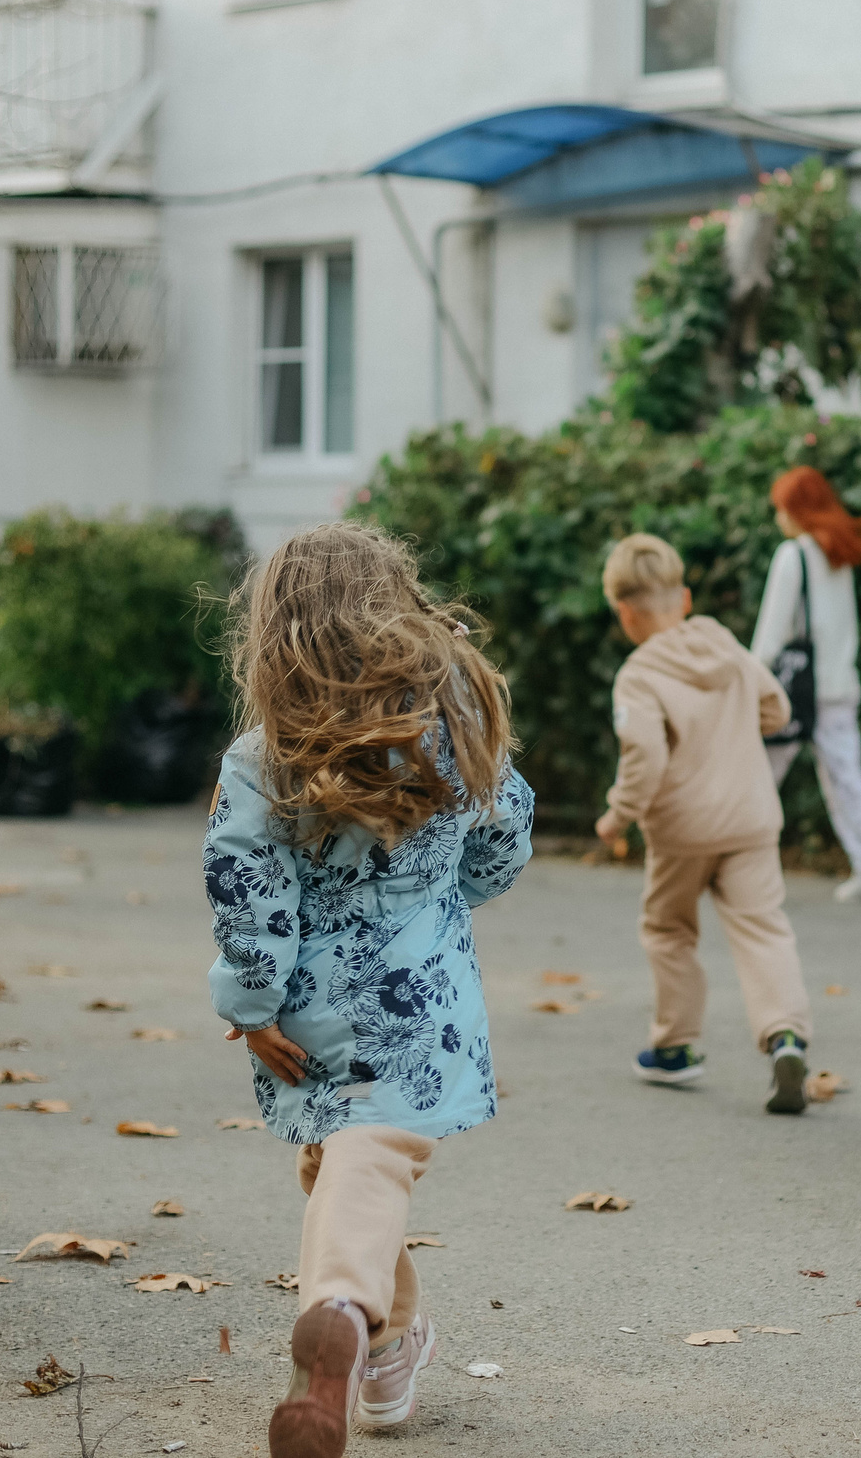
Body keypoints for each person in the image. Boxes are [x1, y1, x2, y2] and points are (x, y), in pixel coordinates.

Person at [204, 522, 535, 1458]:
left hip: (311, 1013)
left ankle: (379, 1360)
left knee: (337, 1167)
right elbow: (499, 843)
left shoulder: (264, 756)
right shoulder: (448, 727)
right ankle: (345, 1312)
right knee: (365, 1166)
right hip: (422, 1008)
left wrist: (252, 1004)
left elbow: (246, 891)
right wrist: (447, 887)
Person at [594, 532, 816, 1113]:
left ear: (624, 611)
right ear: (685, 598)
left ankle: (676, 1049)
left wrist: (617, 817)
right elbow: (778, 708)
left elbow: (644, 757)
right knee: (763, 928)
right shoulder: (725, 644)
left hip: (681, 831)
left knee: (669, 931)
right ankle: (785, 1036)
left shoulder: (639, 675)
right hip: (751, 817)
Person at [750, 465, 861, 903]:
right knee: (846, 776)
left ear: (798, 510)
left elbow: (772, 635)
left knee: (758, 775)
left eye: (782, 509)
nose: (779, 518)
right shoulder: (837, 555)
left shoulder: (792, 556)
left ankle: (733, 862)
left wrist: (750, 680)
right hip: (837, 686)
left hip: (794, 692)